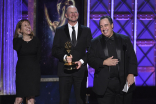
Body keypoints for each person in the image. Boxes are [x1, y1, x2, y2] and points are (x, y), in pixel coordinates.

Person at [87, 16, 138, 104]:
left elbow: (132, 57)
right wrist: (103, 62)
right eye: (101, 26)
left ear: (112, 25)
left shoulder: (124, 39)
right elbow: (90, 59)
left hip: (123, 83)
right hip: (104, 86)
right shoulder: (95, 42)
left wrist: (131, 73)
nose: (104, 28)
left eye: (106, 25)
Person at [52, 5, 92, 104]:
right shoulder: (60, 30)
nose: (73, 14)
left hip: (80, 71)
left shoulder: (86, 30)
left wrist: (82, 61)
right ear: (66, 15)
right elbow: (55, 50)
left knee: (81, 100)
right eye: (71, 12)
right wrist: (65, 57)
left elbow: (92, 51)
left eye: (75, 12)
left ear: (78, 14)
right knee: (63, 100)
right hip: (65, 71)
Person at [13, 19, 41, 104]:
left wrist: (37, 72)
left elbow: (39, 57)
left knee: (31, 99)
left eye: (28, 24)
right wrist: (20, 36)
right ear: (20, 29)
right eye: (25, 25)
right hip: (21, 73)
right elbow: (17, 48)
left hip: (33, 72)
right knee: (19, 99)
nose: (28, 26)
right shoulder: (17, 40)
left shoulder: (36, 40)